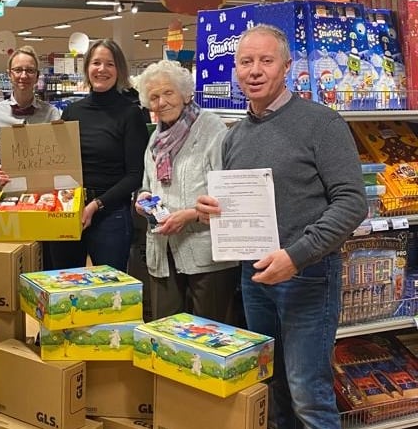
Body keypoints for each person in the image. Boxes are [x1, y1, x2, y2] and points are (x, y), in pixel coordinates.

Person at [195, 24, 367, 429]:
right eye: (245, 62)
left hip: (307, 275)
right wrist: (213, 211)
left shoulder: (322, 123)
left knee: (309, 394)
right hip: (254, 275)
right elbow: (240, 203)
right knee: (272, 387)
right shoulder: (234, 136)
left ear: (286, 67)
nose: (254, 70)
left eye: (266, 61)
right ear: (236, 70)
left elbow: (352, 202)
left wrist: (296, 255)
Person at [133, 60, 238, 322]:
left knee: (210, 330)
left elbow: (227, 194)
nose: (162, 102)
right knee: (166, 329)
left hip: (205, 252)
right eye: (154, 97)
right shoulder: (155, 138)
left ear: (185, 93)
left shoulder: (211, 129)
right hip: (163, 250)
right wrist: (143, 197)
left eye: (168, 93)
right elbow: (148, 183)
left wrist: (189, 215)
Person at [48, 39, 147, 272]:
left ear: (119, 70)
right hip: (69, 210)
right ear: (87, 68)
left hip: (111, 215)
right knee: (65, 283)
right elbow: (57, 162)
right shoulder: (72, 112)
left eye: (110, 64)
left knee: (109, 287)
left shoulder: (131, 114)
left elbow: (135, 174)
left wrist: (95, 205)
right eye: (96, 63)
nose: (102, 69)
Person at [0, 45, 60, 226]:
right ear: (9, 74)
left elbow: (61, 156)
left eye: (30, 70)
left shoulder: (51, 114)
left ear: (37, 76)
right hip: (4, 199)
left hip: (42, 200)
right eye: (18, 70)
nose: (23, 75)